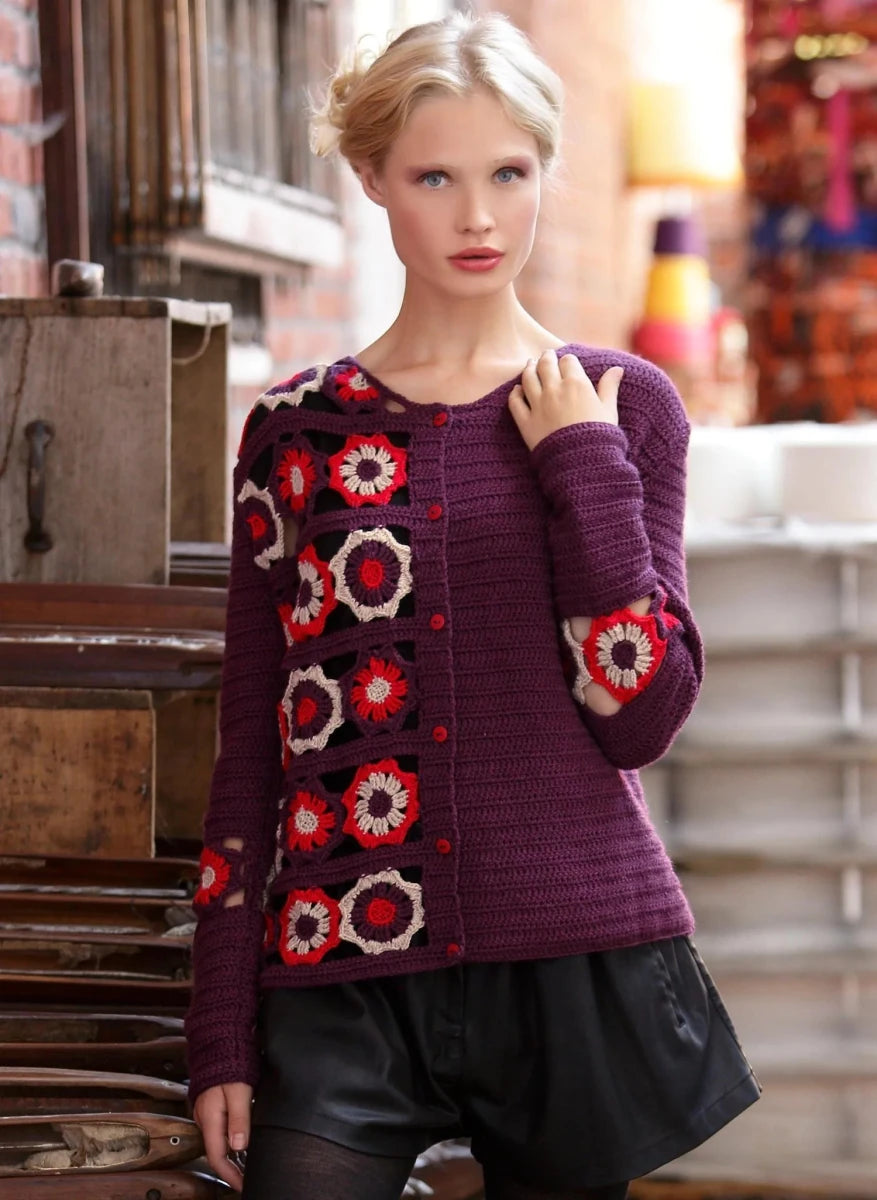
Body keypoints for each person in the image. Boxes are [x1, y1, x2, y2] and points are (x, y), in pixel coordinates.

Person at [185, 11, 761, 1199]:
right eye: (434, 178)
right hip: (341, 962)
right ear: (371, 181)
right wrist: (220, 1029)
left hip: (566, 956)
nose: (478, 218)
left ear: (545, 169)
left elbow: (641, 718)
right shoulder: (296, 431)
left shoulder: (622, 406)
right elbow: (252, 745)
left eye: (508, 173)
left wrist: (584, 467)